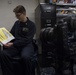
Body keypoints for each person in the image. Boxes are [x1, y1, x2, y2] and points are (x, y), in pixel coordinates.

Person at [0, 5, 36, 75]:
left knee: (26, 57)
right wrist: (5, 39)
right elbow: (11, 35)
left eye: (18, 15)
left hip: (27, 45)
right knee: (3, 54)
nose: (17, 17)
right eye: (16, 15)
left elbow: (27, 40)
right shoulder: (17, 23)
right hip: (16, 45)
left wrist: (13, 44)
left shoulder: (32, 25)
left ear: (24, 13)